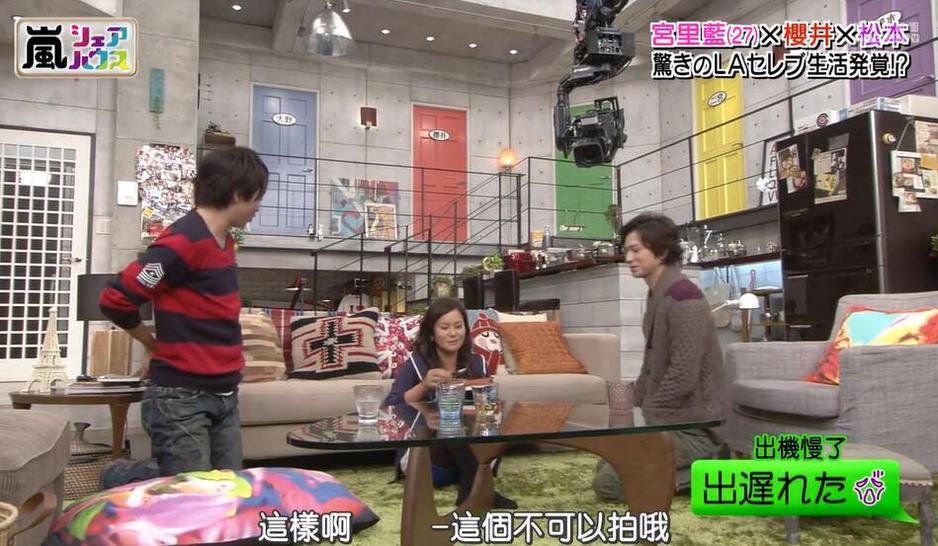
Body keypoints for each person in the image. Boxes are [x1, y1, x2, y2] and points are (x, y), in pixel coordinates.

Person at [98, 146, 269, 487]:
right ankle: (120, 476)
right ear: (238, 194)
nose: (258, 207)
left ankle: (155, 474)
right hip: (181, 396)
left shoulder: (225, 242)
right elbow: (115, 299)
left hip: (225, 393)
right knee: (193, 494)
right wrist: (150, 344)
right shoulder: (182, 243)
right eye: (257, 198)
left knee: (228, 491)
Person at [593, 212, 728, 501]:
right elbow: (651, 366)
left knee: (608, 485)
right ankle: (673, 465)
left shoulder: (684, 299)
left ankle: (711, 468)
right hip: (667, 422)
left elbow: (683, 374)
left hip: (696, 430)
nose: (628, 258)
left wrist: (649, 412)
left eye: (635, 250)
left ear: (662, 252)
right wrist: (635, 408)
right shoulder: (658, 294)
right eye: (627, 250)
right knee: (606, 461)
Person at [384, 297, 517, 509]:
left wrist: (484, 397)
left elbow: (488, 409)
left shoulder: (477, 362)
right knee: (447, 418)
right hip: (430, 464)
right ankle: (479, 489)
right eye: (444, 328)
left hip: (473, 455)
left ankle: (470, 483)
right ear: (431, 333)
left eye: (458, 326)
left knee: (487, 423)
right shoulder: (417, 364)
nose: (453, 333)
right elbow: (392, 405)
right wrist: (424, 386)